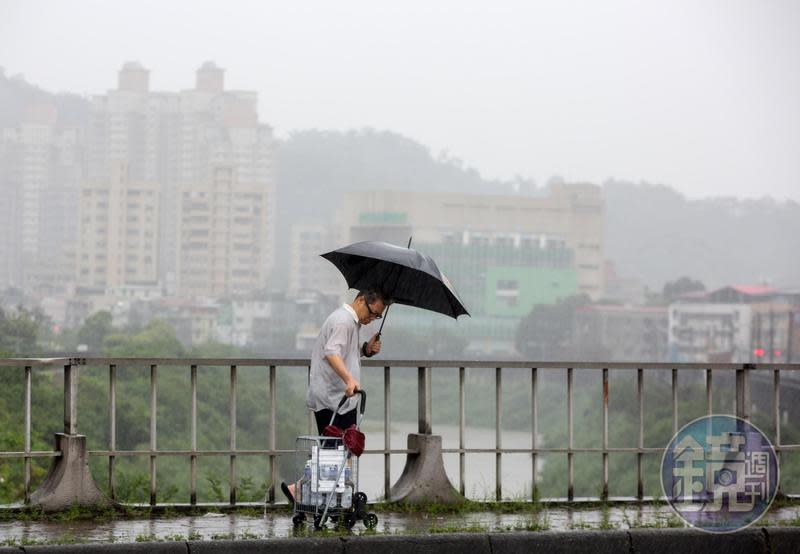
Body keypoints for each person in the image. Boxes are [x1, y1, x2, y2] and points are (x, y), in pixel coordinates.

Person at [281, 288, 389, 504]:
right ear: (360, 300)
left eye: (377, 316)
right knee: (335, 453)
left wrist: (366, 349)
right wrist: (349, 379)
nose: (372, 319)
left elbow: (344, 352)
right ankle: (311, 493)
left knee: (338, 452)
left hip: (341, 399)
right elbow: (331, 352)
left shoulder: (350, 322)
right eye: (372, 312)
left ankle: (324, 496)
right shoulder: (343, 321)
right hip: (334, 398)